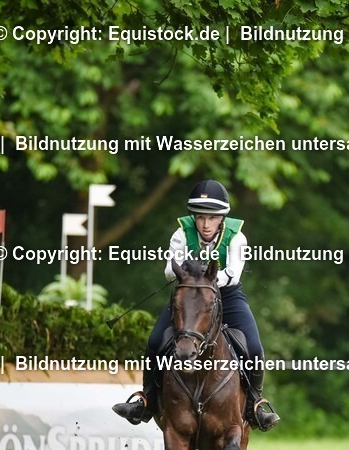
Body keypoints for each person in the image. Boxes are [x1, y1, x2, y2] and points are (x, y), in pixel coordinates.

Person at [112, 179, 280, 431]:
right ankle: (145, 400)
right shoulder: (181, 233)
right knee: (155, 341)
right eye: (200, 217)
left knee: (254, 347)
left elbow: (233, 273)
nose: (205, 224)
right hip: (189, 298)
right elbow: (170, 271)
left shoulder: (237, 237)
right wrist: (194, 278)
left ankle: (255, 404)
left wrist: (202, 275)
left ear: (222, 218)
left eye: (212, 218)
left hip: (228, 296)